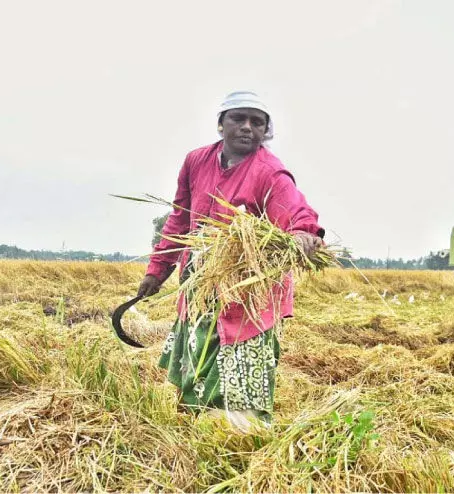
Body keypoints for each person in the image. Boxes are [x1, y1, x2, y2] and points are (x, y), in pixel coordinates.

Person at [138, 91, 324, 431]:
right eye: (239, 118)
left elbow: (296, 210)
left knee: (238, 375)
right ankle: (195, 431)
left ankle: (239, 438)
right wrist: (158, 270)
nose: (247, 127)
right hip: (199, 285)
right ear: (221, 124)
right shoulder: (196, 161)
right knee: (197, 361)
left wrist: (303, 233)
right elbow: (180, 218)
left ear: (265, 130)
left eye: (257, 122)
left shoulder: (270, 172)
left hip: (246, 292)